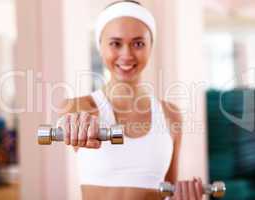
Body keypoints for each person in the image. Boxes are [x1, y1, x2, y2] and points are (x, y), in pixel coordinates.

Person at [59, 1, 203, 199]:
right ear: (100, 46)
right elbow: (65, 121)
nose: (126, 55)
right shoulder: (80, 107)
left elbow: (168, 192)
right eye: (115, 43)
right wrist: (72, 124)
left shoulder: (171, 114)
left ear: (150, 47)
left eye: (138, 43)